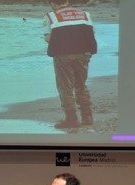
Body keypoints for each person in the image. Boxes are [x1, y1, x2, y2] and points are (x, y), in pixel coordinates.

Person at [43, 0, 97, 128]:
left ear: (52, 3)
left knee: (65, 87)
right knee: (81, 84)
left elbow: (48, 38)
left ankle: (71, 119)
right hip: (84, 53)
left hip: (63, 55)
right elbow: (92, 33)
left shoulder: (50, 16)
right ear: (67, 1)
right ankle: (87, 117)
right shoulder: (85, 14)